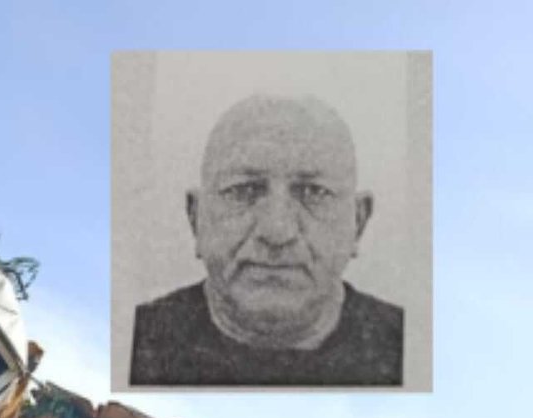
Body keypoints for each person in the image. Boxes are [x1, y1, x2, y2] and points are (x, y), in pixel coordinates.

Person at [129, 93, 404, 387]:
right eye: (243, 190)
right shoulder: (133, 343)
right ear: (196, 217)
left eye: (314, 192)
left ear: (358, 222)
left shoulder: (407, 346)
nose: (277, 232)